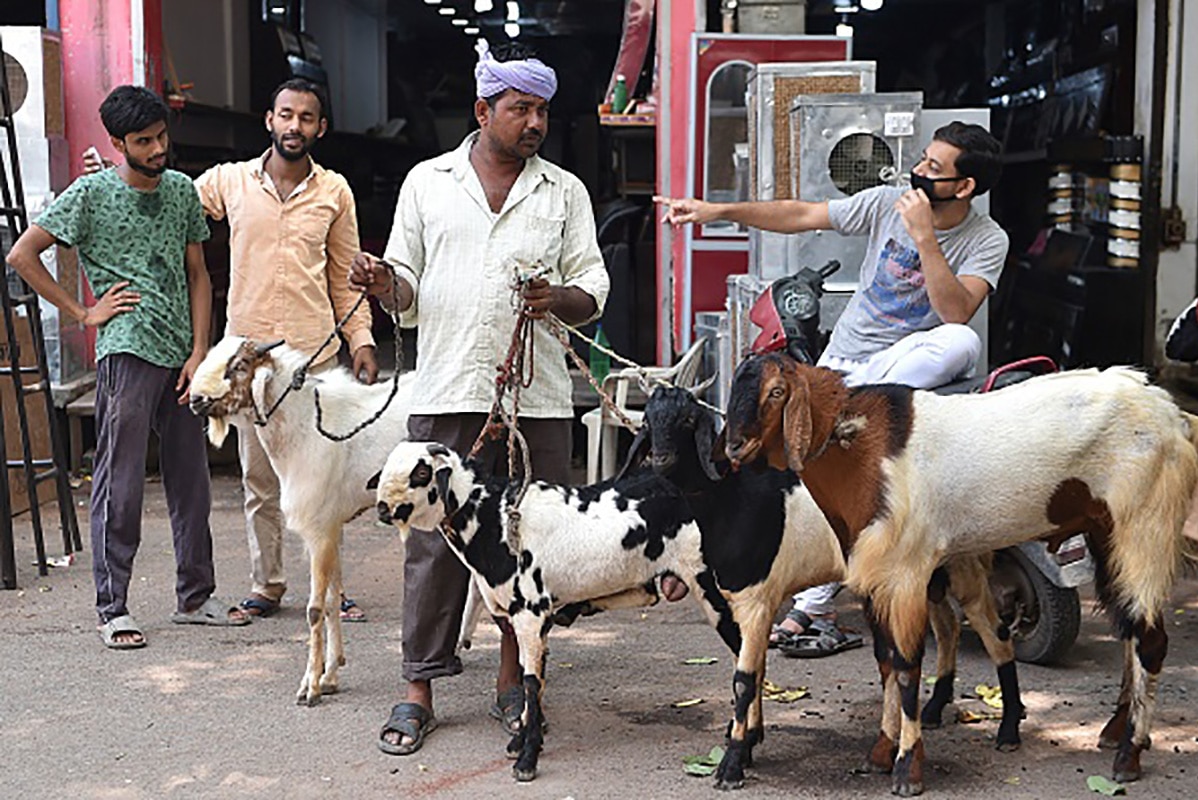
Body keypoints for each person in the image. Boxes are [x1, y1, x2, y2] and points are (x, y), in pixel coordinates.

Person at [349, 39, 613, 756]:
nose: (533, 123)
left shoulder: (564, 192)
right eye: (519, 108)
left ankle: (512, 682)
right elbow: (403, 288)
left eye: (541, 111)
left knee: (530, 544)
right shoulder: (428, 183)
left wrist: (557, 295)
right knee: (432, 545)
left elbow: (593, 287)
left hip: (540, 398)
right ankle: (418, 691)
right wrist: (382, 284)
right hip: (449, 386)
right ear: (482, 109)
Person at [656, 121, 1007, 656]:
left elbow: (957, 310)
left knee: (961, 341)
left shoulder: (986, 239)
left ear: (965, 187)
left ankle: (852, 402)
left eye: (935, 170)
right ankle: (782, 593)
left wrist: (924, 238)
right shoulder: (888, 200)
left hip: (902, 370)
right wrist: (716, 211)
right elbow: (801, 214)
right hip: (846, 361)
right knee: (808, 480)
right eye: (922, 161)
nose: (918, 174)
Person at [7, 85, 250, 648]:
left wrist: (200, 352)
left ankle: (195, 596)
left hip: (182, 356)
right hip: (126, 347)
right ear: (118, 143)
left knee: (192, 482)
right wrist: (83, 312)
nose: (159, 147)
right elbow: (22, 254)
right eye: (145, 141)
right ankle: (112, 607)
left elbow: (199, 276)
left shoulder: (184, 192)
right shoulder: (89, 195)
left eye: (162, 136)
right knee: (121, 481)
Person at [192, 79, 377, 622]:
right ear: (268, 119)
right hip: (247, 365)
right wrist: (109, 177)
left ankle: (330, 587)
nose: (295, 126)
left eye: (307, 117)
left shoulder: (334, 192)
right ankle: (267, 583)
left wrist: (361, 340)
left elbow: (348, 276)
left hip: (313, 358)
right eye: (286, 115)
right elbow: (169, 199)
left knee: (325, 479)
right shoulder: (229, 182)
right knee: (259, 478)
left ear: (321, 127)